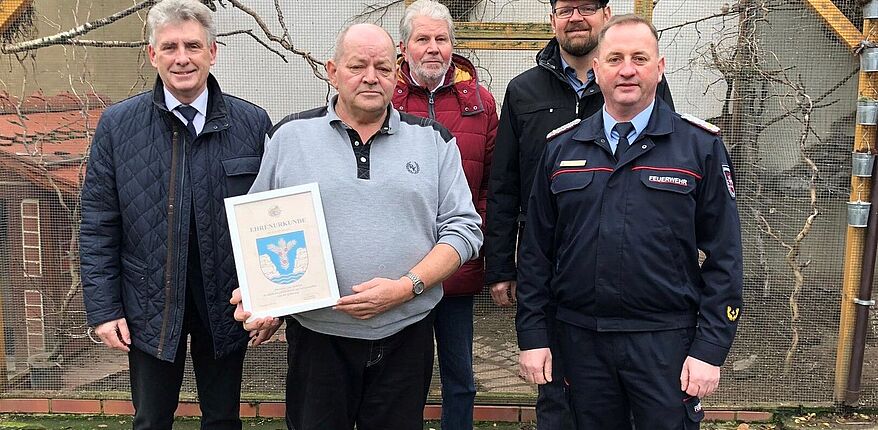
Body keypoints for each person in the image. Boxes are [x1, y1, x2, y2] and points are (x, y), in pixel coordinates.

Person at [232, 23, 483, 430]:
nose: (371, 77)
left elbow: (464, 230)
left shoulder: (433, 140)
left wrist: (405, 287)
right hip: (318, 338)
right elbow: (262, 227)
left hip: (407, 332)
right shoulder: (289, 137)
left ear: (396, 72)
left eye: (383, 67)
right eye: (357, 66)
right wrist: (266, 300)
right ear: (332, 71)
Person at [516, 14, 743, 429]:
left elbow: (725, 258)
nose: (627, 70)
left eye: (640, 58)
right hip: (578, 341)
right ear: (597, 69)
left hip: (665, 343)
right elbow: (535, 254)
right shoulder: (562, 148)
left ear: (659, 68)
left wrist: (710, 349)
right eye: (615, 58)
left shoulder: (699, 148)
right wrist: (533, 337)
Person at [79, 0, 272, 429]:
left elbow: (271, 217)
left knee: (223, 419)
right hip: (148, 301)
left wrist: (271, 300)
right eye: (169, 47)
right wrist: (104, 309)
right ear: (152, 54)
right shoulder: (117, 125)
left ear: (213, 52)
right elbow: (98, 223)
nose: (181, 58)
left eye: (192, 46)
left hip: (226, 300)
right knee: (150, 419)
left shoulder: (251, 122)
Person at [484, 1, 674, 426]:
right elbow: (505, 183)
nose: (576, 17)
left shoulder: (644, 85)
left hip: (632, 275)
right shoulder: (523, 90)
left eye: (587, 7)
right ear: (552, 19)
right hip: (551, 268)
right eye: (566, 8)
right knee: (559, 397)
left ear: (606, 15)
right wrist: (500, 266)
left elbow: (667, 157)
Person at [392, 1, 498, 428]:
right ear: (404, 48)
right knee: (402, 377)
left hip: (457, 266)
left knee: (460, 375)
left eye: (441, 39)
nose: (433, 48)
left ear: (454, 45)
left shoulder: (481, 103)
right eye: (422, 39)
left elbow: (492, 183)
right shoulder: (385, 100)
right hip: (401, 270)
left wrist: (478, 244)